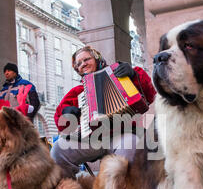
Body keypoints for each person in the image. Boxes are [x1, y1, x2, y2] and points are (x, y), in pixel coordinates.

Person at [51, 46, 157, 179]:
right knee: (58, 149)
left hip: (123, 134)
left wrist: (134, 74)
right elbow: (60, 122)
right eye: (78, 64)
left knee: (131, 145)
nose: (83, 64)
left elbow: (150, 94)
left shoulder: (121, 75)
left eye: (86, 59)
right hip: (93, 139)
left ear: (97, 59)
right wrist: (66, 114)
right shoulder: (77, 92)